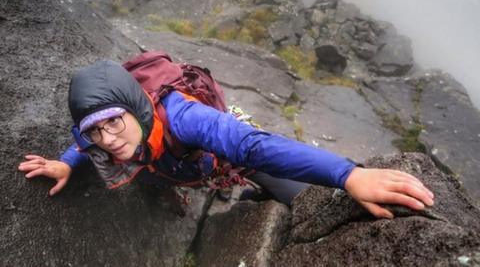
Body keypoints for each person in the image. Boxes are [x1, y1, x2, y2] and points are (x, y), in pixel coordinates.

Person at [18, 60, 434, 219]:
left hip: (230, 161)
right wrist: (68, 161)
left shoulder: (185, 118)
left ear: (136, 108)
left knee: (300, 199)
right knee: (151, 172)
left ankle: (250, 193)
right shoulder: (109, 133)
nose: (107, 140)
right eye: (94, 131)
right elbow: (88, 138)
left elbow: (253, 147)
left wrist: (347, 176)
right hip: (173, 167)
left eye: (113, 123)